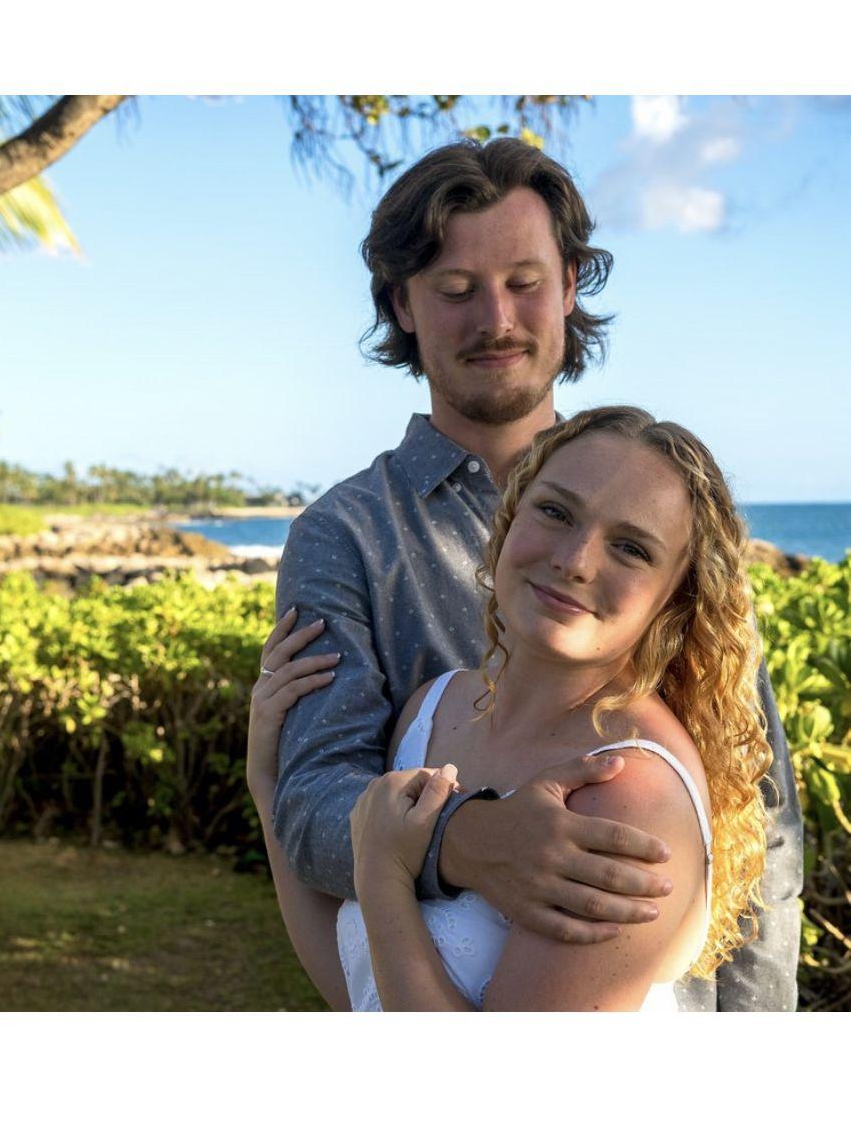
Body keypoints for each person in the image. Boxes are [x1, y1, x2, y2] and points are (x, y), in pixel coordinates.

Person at [265, 137, 802, 1010]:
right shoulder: (344, 535)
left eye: (524, 282)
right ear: (402, 303)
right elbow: (315, 796)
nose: (498, 320)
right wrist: (469, 839)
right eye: (455, 290)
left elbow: (764, 813)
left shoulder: (669, 506)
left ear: (571, 285)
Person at [250, 406, 771, 1010]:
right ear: (510, 516)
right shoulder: (435, 708)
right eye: (555, 512)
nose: (575, 561)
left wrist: (387, 870)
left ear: (676, 598)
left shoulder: (630, 790)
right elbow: (364, 992)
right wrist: (268, 786)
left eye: (630, 548)